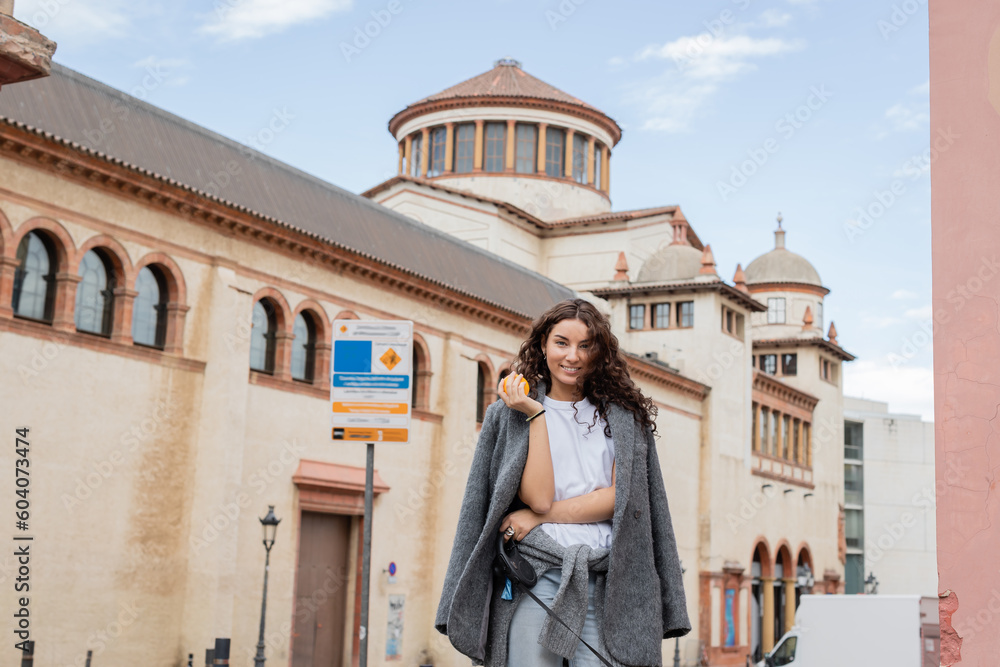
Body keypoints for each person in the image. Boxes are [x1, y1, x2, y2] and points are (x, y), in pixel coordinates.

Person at [435, 298, 689, 667]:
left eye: (586, 345)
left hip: (608, 581)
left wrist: (540, 518)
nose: (573, 356)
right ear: (543, 345)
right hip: (535, 576)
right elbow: (537, 498)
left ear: (600, 352)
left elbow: (621, 498)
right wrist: (536, 415)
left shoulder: (624, 418)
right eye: (562, 343)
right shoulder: (510, 414)